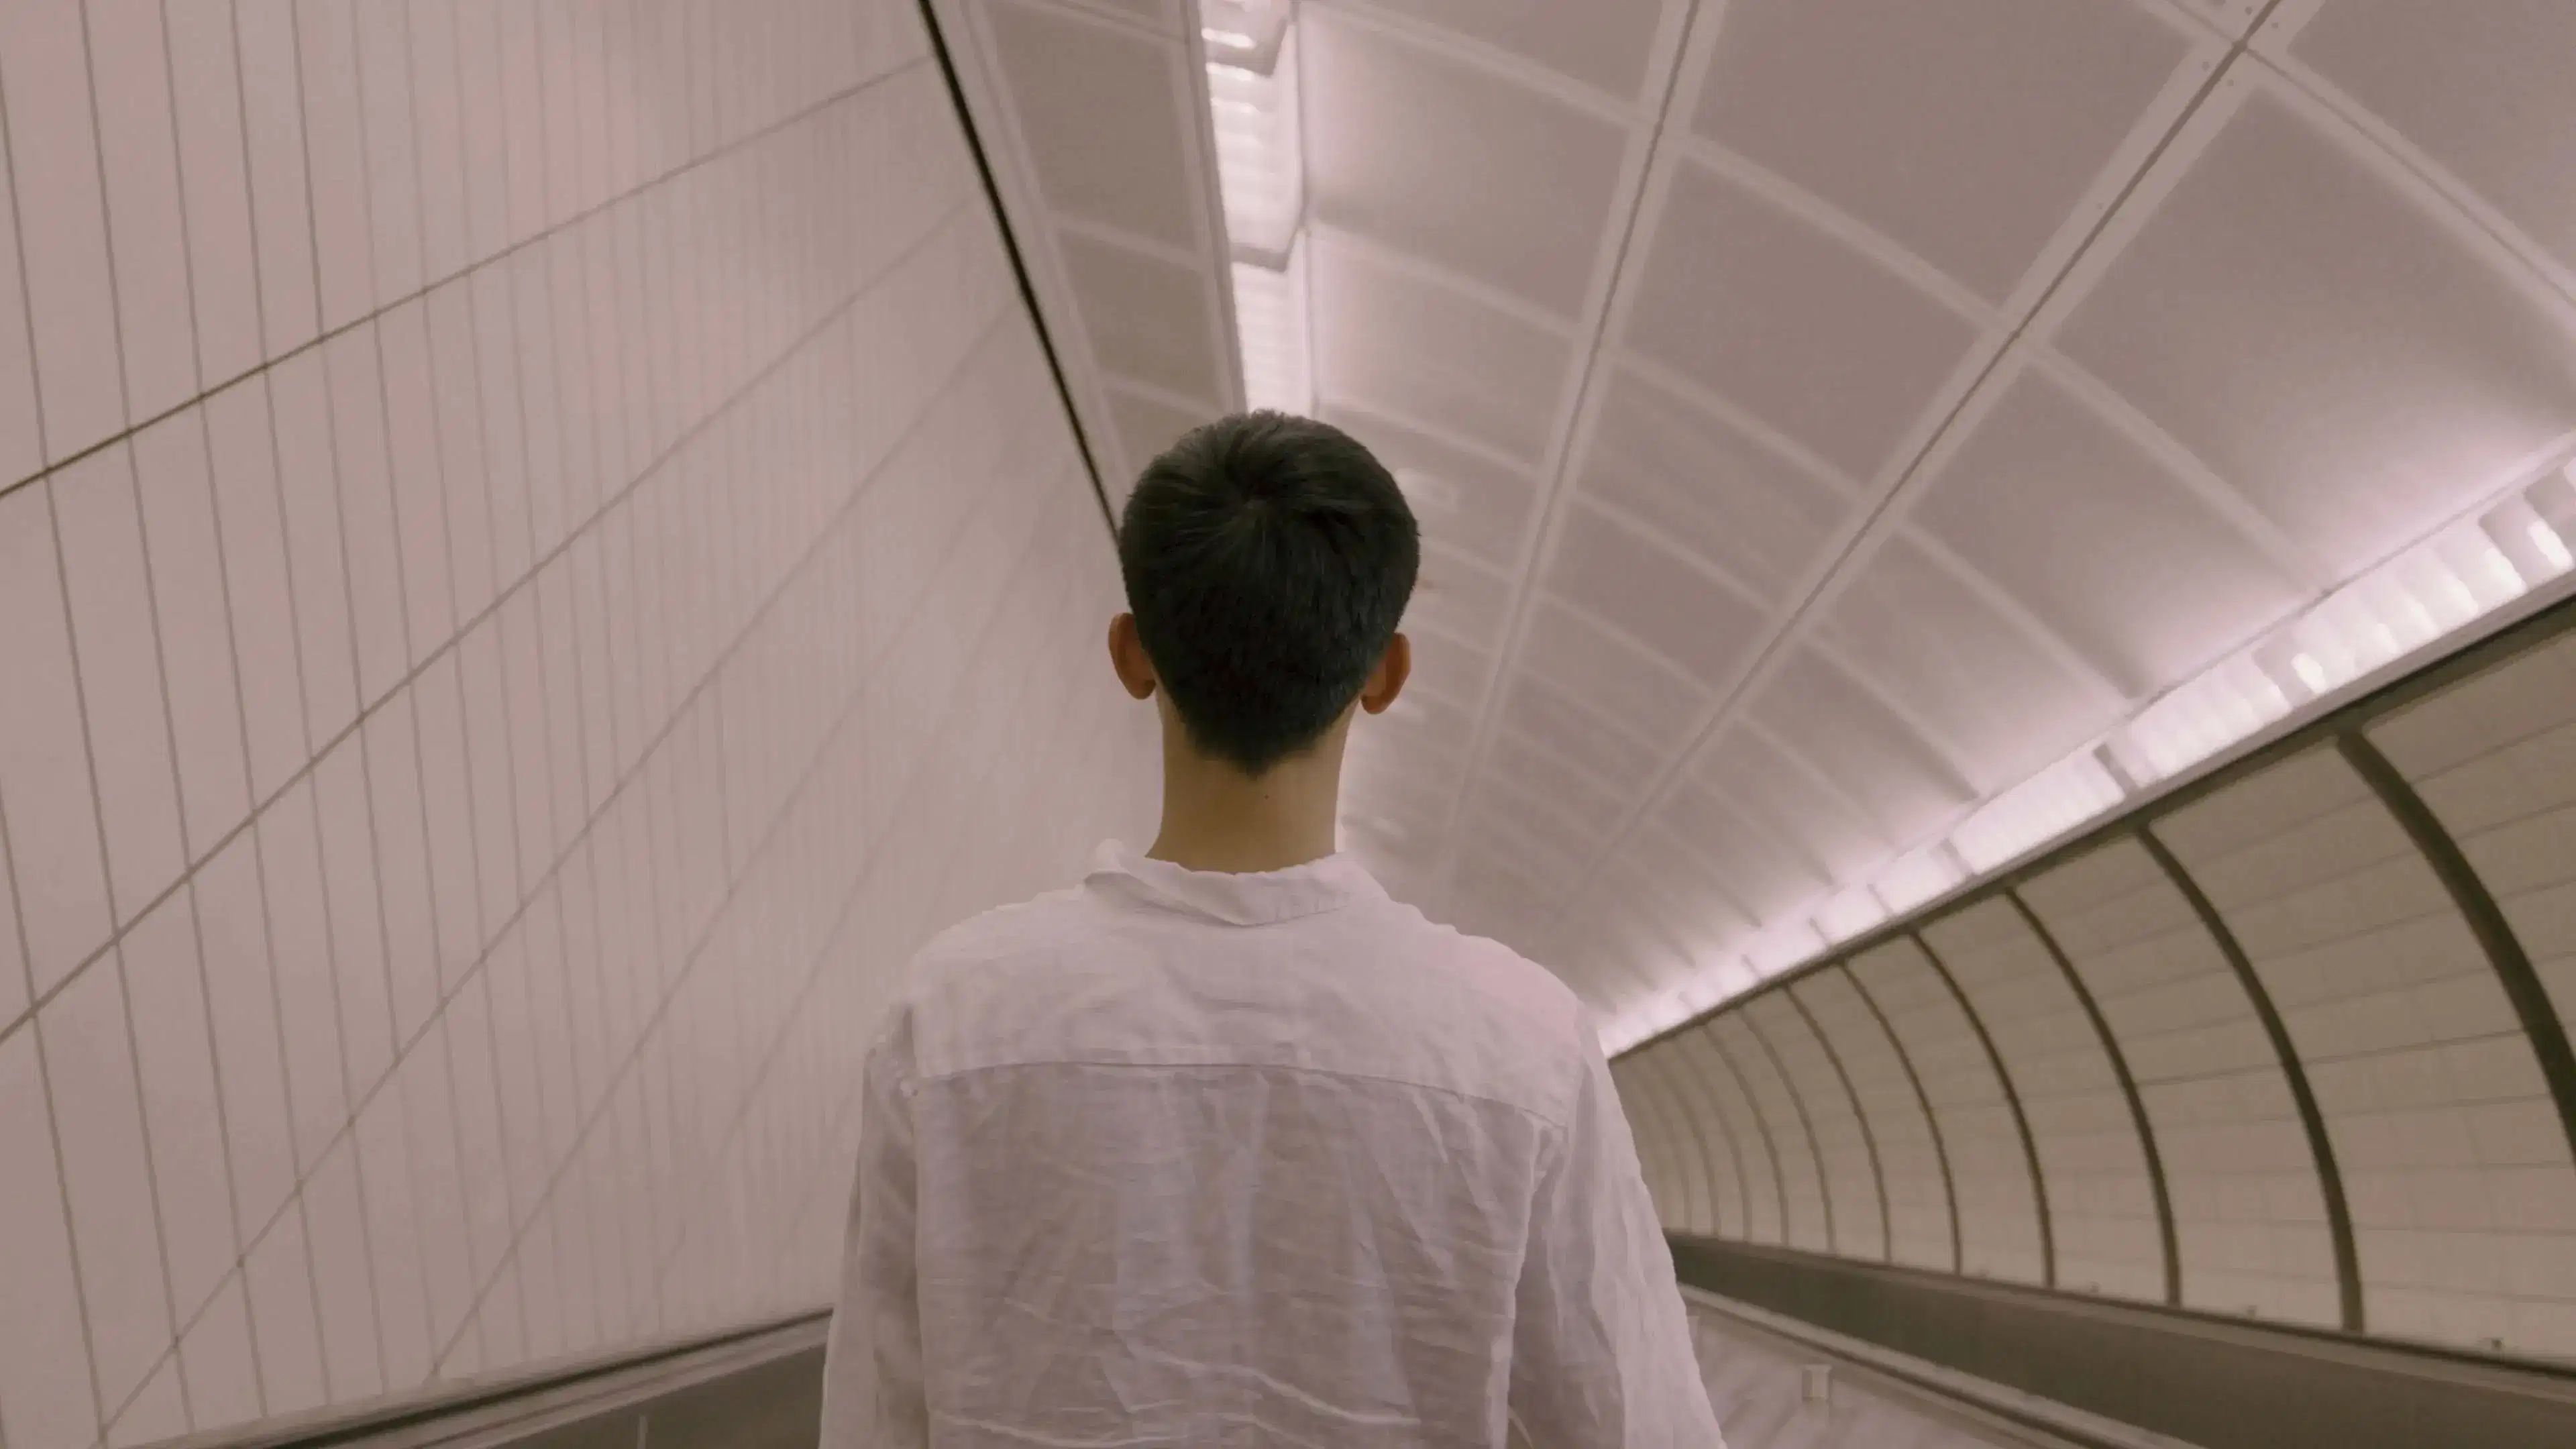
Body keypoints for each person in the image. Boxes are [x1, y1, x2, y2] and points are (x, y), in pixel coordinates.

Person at [818, 412, 1723, 1447]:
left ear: (1131, 654)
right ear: (1385, 673)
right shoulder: (1522, 1049)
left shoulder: (948, 1025)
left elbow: (876, 1424)